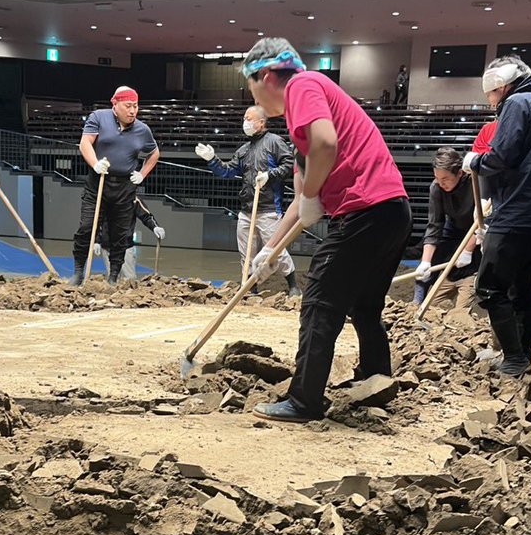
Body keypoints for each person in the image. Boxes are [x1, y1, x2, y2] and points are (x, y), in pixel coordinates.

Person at [240, 38, 411, 423]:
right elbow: (303, 204)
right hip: (392, 211)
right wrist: (270, 251)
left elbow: (327, 144)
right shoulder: (301, 124)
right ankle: (376, 380)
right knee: (364, 306)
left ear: (265, 76)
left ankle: (304, 400)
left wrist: (315, 193)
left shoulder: (303, 85)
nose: (252, 98)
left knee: (319, 299)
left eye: (250, 86)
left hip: (366, 209)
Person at [463, 55, 531, 377]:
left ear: (500, 84)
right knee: (521, 289)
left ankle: (515, 358)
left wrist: (475, 162)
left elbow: (502, 156)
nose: (491, 100)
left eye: (491, 93)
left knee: (490, 287)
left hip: (517, 214)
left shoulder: (518, 104)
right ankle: (521, 358)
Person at [195, 105, 299, 296]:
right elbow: (227, 171)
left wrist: (270, 175)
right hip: (246, 209)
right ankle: (251, 288)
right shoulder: (243, 150)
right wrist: (212, 159)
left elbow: (288, 164)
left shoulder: (275, 142)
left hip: (268, 208)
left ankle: (293, 285)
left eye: (249, 119)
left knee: (275, 249)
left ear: (261, 122)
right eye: (244, 118)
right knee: (246, 253)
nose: (245, 122)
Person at [73, 86, 159, 285]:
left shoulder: (142, 129)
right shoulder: (98, 117)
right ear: (115, 104)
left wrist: (142, 173)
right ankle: (78, 272)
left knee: (120, 234)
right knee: (86, 227)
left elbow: (154, 153)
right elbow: (85, 142)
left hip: (124, 187)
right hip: (98, 183)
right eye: (128, 106)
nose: (132, 111)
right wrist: (95, 163)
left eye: (136, 106)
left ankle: (113, 277)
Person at [414, 146, 479, 309]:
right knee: (432, 260)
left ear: (459, 173)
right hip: (454, 227)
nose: (441, 183)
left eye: (446, 178)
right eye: (437, 178)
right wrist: (425, 262)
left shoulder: (474, 183)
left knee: (470, 266)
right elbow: (434, 225)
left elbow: (482, 221)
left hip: (477, 229)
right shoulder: (437, 187)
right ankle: (416, 304)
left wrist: (468, 250)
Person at [96, 197, 165, 280]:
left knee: (130, 279)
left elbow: (146, 216)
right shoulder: (104, 198)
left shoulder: (133, 198)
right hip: (107, 246)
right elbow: (97, 220)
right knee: (112, 280)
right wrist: (96, 241)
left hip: (125, 246)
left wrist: (155, 227)